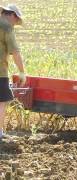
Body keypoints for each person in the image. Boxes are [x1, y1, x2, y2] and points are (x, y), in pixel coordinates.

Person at [0, 4, 26, 140]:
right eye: (16, 21)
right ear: (12, 15)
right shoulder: (5, 26)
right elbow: (15, 52)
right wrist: (22, 72)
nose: (15, 24)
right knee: (1, 102)